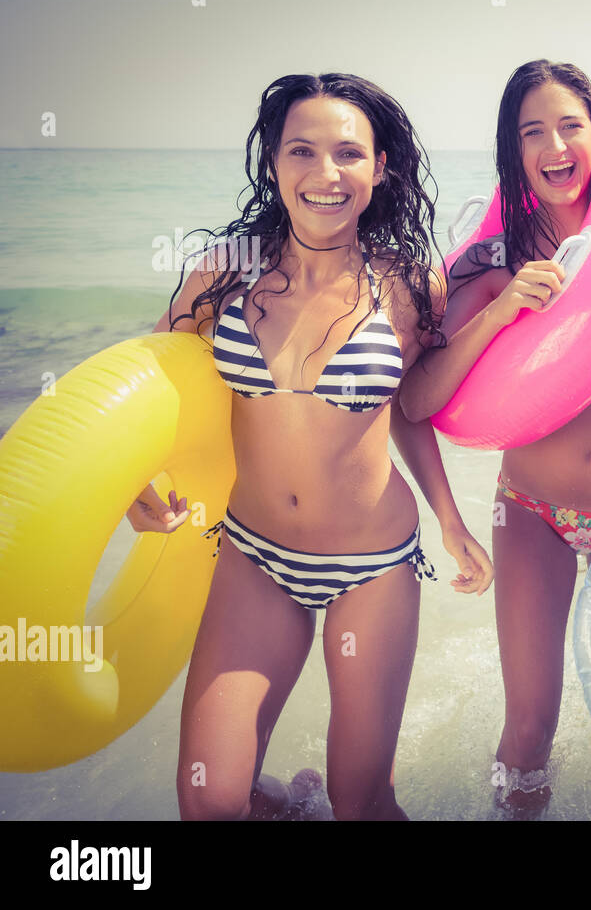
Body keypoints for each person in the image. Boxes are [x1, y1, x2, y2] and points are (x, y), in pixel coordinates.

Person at [128, 73, 492, 820]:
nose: (326, 175)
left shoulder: (408, 283)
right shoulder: (226, 271)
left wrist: (450, 520)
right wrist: (137, 476)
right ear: (273, 162)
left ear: (379, 168)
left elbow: (409, 409)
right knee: (210, 800)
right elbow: (154, 386)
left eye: (349, 155)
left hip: (373, 564)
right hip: (255, 553)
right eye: (302, 151)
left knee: (361, 800)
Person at [400, 59, 591, 814]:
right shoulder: (489, 261)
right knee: (530, 725)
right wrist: (503, 309)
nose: (555, 146)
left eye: (570, 126)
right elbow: (414, 402)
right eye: (532, 132)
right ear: (514, 150)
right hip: (532, 512)